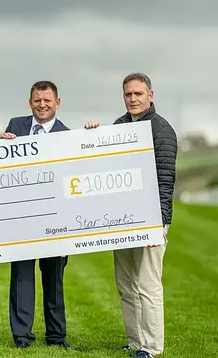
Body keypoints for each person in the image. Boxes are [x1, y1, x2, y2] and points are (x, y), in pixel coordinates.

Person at [84, 73, 177, 358]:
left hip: (150, 219)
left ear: (150, 95)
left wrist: (160, 222)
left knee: (148, 285)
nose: (133, 99)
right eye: (128, 94)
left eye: (138, 93)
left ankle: (152, 346)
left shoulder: (162, 130)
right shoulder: (119, 126)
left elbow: (165, 180)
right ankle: (136, 341)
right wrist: (93, 135)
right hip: (122, 219)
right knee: (126, 285)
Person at [1, 80, 71, 350]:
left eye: (47, 100)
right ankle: (21, 336)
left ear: (57, 103)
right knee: (21, 277)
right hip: (21, 217)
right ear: (30, 102)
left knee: (54, 279)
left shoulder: (69, 136)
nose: (42, 105)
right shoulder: (15, 126)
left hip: (55, 218)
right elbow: (1, 167)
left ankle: (56, 337)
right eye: (37, 100)